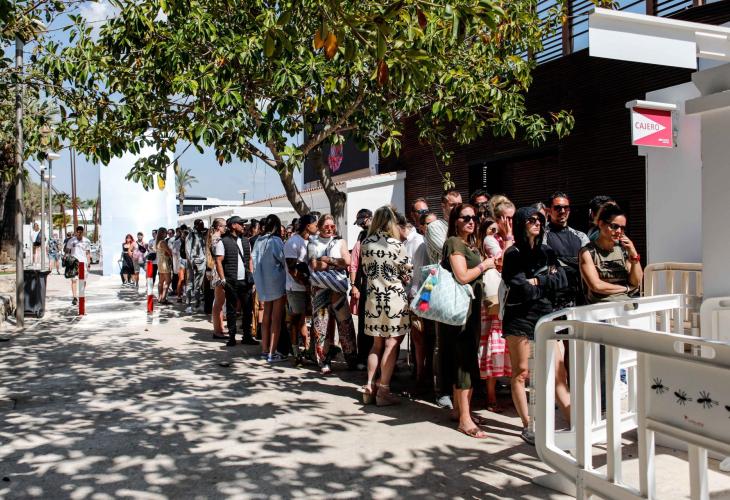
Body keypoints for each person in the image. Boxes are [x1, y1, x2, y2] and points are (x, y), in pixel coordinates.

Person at [501, 207, 568, 445]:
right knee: (521, 372)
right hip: (520, 318)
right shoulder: (513, 254)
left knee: (557, 372)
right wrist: (544, 284)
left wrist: (538, 280)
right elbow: (521, 288)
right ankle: (528, 425)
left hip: (546, 316)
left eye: (539, 219)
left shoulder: (547, 251)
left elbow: (562, 280)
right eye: (531, 220)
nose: (537, 223)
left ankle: (572, 421)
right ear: (521, 223)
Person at [440, 204, 495, 438]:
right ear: (455, 221)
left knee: (463, 359)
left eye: (474, 217)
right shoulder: (454, 242)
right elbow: (462, 276)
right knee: (464, 362)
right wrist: (484, 265)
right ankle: (464, 419)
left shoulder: (468, 243)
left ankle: (460, 411)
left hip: (469, 311)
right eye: (466, 218)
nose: (472, 221)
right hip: (460, 313)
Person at [360, 206, 412, 406]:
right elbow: (408, 273)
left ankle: (369, 386)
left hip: (374, 298)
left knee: (376, 344)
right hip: (394, 298)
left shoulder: (366, 244)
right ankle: (383, 390)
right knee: (392, 344)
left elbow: (366, 270)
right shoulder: (396, 245)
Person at [424, 188, 462, 410]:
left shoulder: (463, 226)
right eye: (452, 204)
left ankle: (461, 386)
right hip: (442, 286)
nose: (457, 208)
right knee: (442, 342)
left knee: (461, 340)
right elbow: (450, 251)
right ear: (443, 206)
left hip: (463, 286)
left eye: (459, 204)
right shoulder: (435, 228)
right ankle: (442, 390)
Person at [308, 214, 357, 373]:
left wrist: (328, 260)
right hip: (320, 291)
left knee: (345, 324)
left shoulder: (340, 242)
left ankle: (351, 359)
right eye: (326, 226)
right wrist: (337, 264)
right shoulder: (313, 243)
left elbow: (347, 261)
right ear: (319, 227)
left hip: (337, 290)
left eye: (332, 226)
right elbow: (314, 265)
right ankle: (324, 361)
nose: (330, 229)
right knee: (321, 326)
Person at [477, 216, 511, 413]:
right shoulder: (490, 240)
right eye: (492, 229)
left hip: (499, 302)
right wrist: (508, 237)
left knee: (499, 348)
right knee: (493, 348)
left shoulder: (497, 240)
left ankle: (495, 396)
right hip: (494, 305)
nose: (496, 233)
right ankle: (491, 398)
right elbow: (505, 260)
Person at [580, 204, 643, 304]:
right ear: (601, 224)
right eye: (614, 226)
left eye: (622, 228)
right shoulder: (588, 252)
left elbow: (636, 282)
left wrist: (634, 254)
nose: (619, 231)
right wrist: (626, 288)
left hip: (626, 304)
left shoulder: (623, 250)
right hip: (602, 308)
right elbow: (596, 286)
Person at [215, 216, 258, 347]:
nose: (243, 226)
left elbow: (249, 259)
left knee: (247, 309)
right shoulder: (223, 242)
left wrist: (251, 275)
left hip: (245, 281)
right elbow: (218, 261)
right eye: (241, 224)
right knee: (231, 310)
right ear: (233, 225)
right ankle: (232, 336)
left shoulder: (246, 241)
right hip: (231, 280)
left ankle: (247, 336)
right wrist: (223, 279)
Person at [252, 215, 288, 362]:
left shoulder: (258, 241)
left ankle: (265, 349)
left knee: (266, 316)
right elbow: (284, 260)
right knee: (276, 319)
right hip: (277, 281)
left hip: (263, 282)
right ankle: (272, 353)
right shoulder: (276, 241)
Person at [400, 216, 429, 393]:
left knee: (419, 336)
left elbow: (419, 274)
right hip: (413, 294)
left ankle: (421, 375)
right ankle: (418, 372)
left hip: (422, 295)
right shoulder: (407, 242)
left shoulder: (418, 242)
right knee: (416, 337)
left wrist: (413, 297)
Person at [284, 214, 317, 363]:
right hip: (296, 288)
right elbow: (292, 269)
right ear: (308, 226)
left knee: (307, 320)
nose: (317, 227)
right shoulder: (292, 242)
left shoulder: (312, 241)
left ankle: (309, 349)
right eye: (315, 224)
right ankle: (296, 352)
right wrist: (306, 283)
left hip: (310, 287)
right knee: (296, 320)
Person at [349, 208, 372, 369]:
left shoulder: (379, 235)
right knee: (363, 323)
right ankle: (363, 357)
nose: (360, 225)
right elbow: (354, 264)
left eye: (362, 222)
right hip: (364, 284)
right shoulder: (362, 236)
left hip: (376, 285)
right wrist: (354, 285)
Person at [206, 218, 228, 339]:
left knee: (218, 302)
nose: (226, 228)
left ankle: (220, 328)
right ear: (219, 227)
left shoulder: (212, 238)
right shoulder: (217, 240)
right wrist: (222, 277)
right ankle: (217, 330)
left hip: (214, 271)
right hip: (218, 272)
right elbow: (219, 260)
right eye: (224, 226)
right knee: (219, 303)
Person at [64, 226, 91, 306]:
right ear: (76, 232)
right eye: (78, 232)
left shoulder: (87, 241)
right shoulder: (71, 240)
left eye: (80, 232)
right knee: (74, 280)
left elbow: (88, 253)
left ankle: (81, 295)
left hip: (83, 263)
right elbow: (67, 251)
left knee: (83, 280)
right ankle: (75, 297)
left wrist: (89, 263)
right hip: (74, 262)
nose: (79, 233)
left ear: (83, 232)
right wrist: (66, 257)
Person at [186, 219, 207, 313]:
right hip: (194, 263)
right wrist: (192, 263)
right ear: (196, 225)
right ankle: (188, 304)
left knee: (198, 285)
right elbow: (188, 251)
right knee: (190, 284)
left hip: (202, 263)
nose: (203, 226)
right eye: (201, 224)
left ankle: (197, 303)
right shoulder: (191, 236)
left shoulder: (201, 235)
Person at [155, 227, 173, 305]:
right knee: (168, 281)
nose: (167, 234)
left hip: (160, 263)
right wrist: (170, 253)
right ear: (162, 233)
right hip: (165, 262)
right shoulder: (163, 242)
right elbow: (169, 252)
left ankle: (160, 297)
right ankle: (163, 298)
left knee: (161, 281)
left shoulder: (157, 242)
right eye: (166, 232)